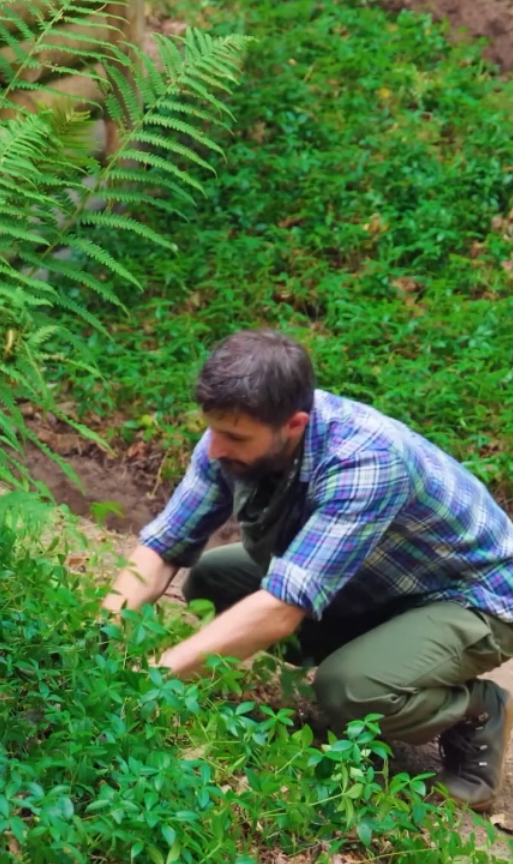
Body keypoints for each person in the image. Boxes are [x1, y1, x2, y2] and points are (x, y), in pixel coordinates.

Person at [103, 328, 513, 811]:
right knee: (212, 579)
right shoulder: (233, 434)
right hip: (378, 580)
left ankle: (475, 709)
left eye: (234, 437)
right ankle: (382, 659)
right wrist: (100, 638)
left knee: (349, 690)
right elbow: (164, 545)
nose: (215, 449)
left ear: (294, 425)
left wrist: (154, 678)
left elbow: (281, 609)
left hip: (473, 596)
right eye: (212, 430)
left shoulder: (364, 460)